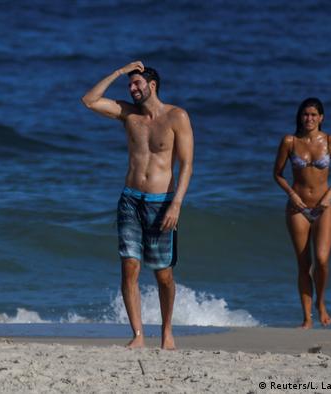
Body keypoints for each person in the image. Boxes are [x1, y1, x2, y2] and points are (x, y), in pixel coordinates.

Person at [81, 61, 194, 350]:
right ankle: (138, 335)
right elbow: (89, 101)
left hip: (161, 203)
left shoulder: (176, 116)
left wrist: (177, 204)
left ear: (152, 85)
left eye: (136, 84)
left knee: (163, 274)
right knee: (129, 267)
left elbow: (187, 165)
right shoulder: (128, 115)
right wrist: (119, 71)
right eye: (129, 85)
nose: (131, 89)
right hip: (130, 199)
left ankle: (167, 332)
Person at [273, 97, 331, 329]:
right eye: (306, 114)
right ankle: (307, 318)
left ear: (321, 118)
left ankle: (321, 303)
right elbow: (277, 173)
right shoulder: (290, 141)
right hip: (298, 208)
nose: (309, 119)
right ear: (300, 117)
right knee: (304, 263)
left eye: (314, 115)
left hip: (323, 207)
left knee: (322, 261)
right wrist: (291, 195)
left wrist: (330, 194)